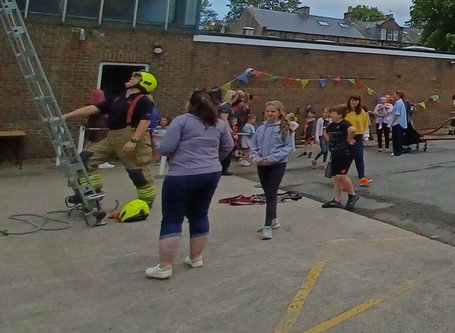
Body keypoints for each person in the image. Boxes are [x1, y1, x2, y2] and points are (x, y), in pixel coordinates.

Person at [145, 91, 234, 279]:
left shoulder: (181, 121)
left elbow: (167, 148)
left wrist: (157, 146)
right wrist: (212, 160)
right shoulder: (219, 123)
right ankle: (196, 257)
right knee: (200, 214)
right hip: (210, 173)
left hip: (182, 174)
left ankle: (165, 266)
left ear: (190, 104)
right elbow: (228, 146)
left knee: (172, 218)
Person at [62, 71, 159, 209]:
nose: (132, 78)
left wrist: (133, 140)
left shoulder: (144, 101)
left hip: (132, 138)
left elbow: (145, 122)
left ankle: (146, 202)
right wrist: (66, 116)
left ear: (145, 83)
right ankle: (93, 191)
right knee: (85, 160)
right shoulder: (118, 98)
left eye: (137, 78)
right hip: (112, 137)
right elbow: (95, 108)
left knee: (138, 173)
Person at [250, 100, 295, 240]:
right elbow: (253, 145)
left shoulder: (285, 128)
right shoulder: (260, 129)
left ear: (279, 113)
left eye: (273, 111)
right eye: (267, 111)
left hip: (277, 165)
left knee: (271, 193)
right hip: (262, 165)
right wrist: (255, 157)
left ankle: (267, 226)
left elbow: (289, 147)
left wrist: (271, 158)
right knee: (268, 193)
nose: (269, 113)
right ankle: (274, 220)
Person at [322, 105, 360, 210]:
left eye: (333, 113)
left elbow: (352, 130)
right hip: (335, 153)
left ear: (340, 115)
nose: (330, 115)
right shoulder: (331, 125)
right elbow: (325, 132)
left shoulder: (344, 123)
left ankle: (352, 195)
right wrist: (330, 141)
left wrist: (349, 140)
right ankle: (337, 200)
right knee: (336, 177)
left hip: (345, 153)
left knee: (341, 176)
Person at [346, 95, 371, 186]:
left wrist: (366, 136)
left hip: (358, 136)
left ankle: (362, 178)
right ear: (349, 101)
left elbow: (365, 124)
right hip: (346, 137)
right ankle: (341, 176)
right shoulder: (345, 111)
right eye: (353, 100)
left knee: (359, 157)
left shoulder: (362, 111)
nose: (354, 102)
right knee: (347, 158)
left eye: (356, 100)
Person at [390, 91, 409, 156]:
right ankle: (398, 151)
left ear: (398, 95)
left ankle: (397, 152)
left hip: (397, 123)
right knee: (398, 138)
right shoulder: (400, 102)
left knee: (396, 138)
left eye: (394, 94)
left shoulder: (398, 103)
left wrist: (393, 122)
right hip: (400, 123)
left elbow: (397, 114)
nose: (393, 95)